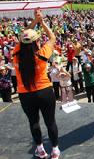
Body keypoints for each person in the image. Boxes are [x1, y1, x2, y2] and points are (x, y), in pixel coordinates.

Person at [13, 9, 60, 159]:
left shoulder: (16, 54)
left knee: (33, 122)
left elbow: (25, 34)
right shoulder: (42, 54)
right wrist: (41, 21)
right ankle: (55, 150)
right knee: (50, 122)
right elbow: (52, 37)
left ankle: (40, 149)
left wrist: (34, 21)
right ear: (36, 41)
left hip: (25, 94)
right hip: (44, 91)